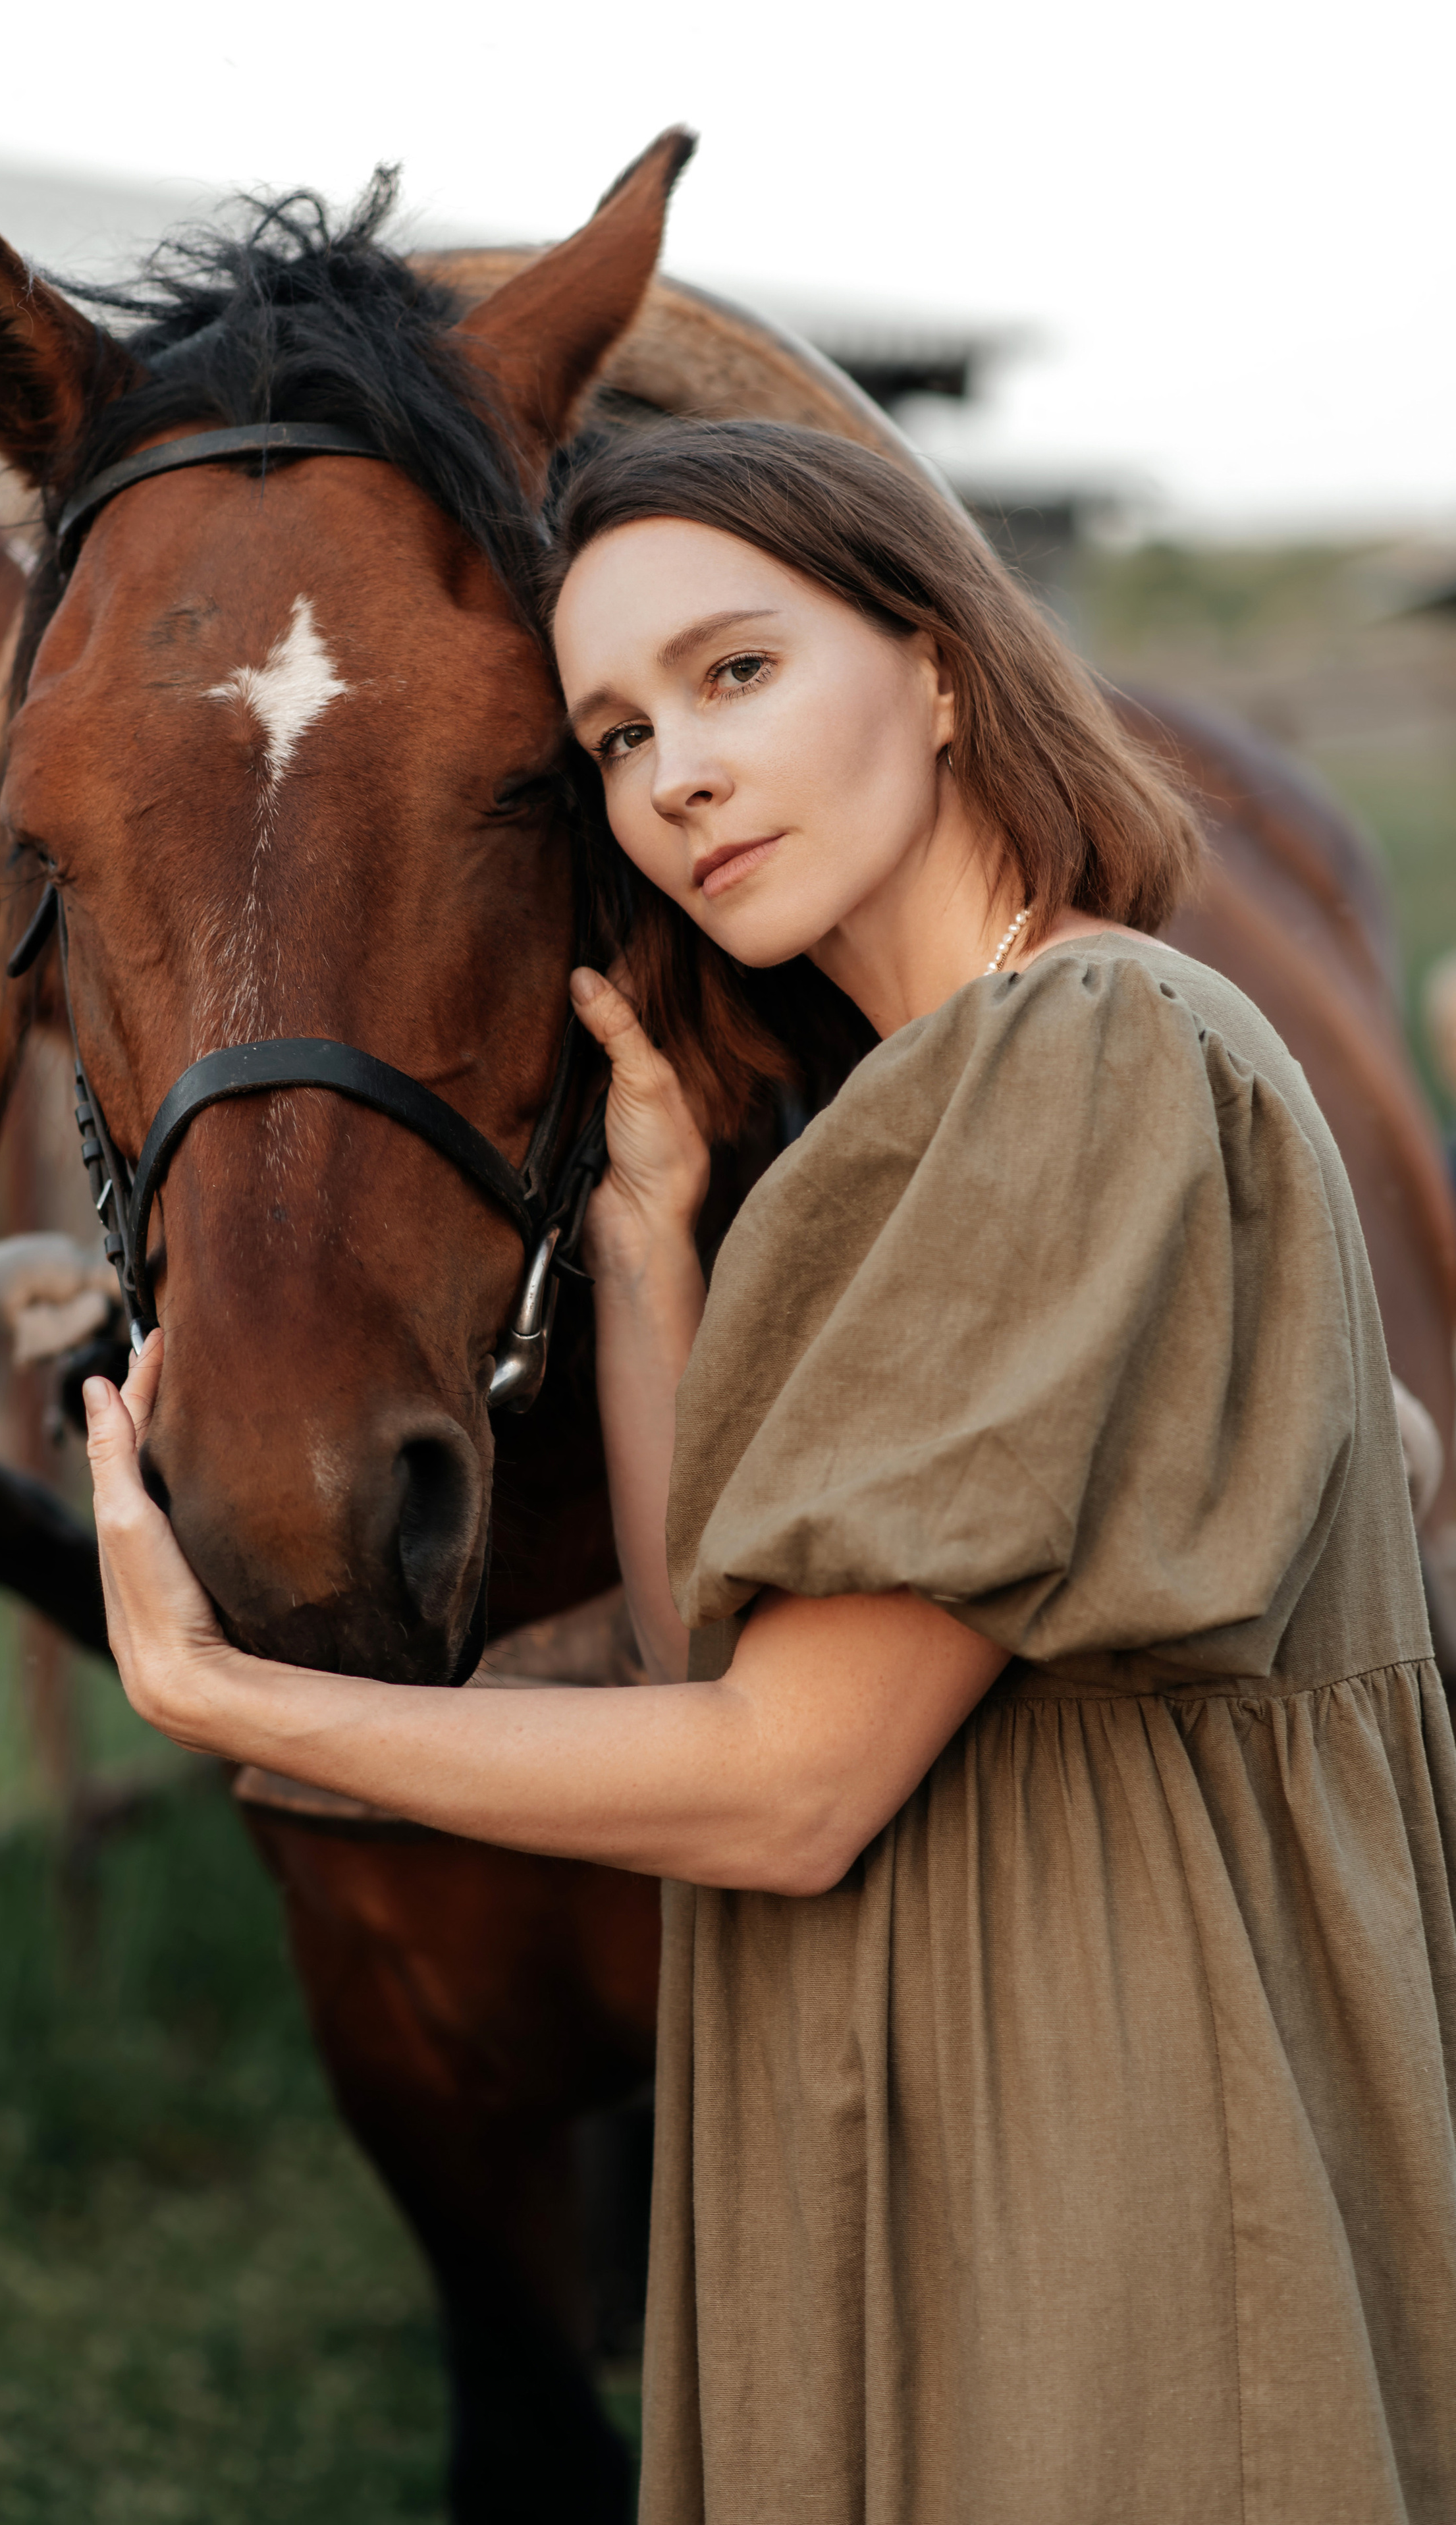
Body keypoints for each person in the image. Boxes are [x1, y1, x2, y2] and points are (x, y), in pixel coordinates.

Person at [85, 419, 1456, 2524]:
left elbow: (792, 1786)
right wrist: (653, 1260)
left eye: (736, 673)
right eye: (619, 739)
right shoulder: (915, 1111)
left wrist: (229, 1694)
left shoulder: (1088, 1055)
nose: (680, 778)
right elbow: (707, 1660)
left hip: (1107, 2139)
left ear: (939, 665)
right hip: (959, 2098)